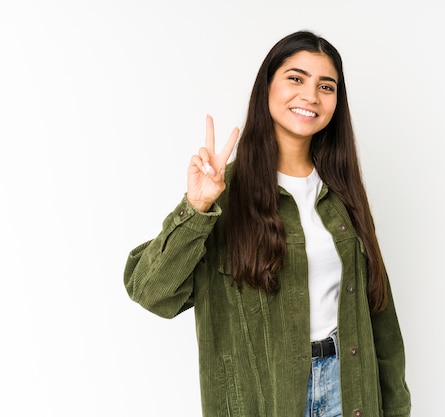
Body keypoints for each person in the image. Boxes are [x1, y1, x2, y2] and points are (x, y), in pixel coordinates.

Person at [124, 30, 411, 417]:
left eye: (326, 86)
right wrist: (196, 207)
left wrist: (396, 407)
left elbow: (381, 317)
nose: (310, 95)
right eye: (296, 78)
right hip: (267, 400)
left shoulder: (344, 196)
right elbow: (150, 291)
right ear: (267, 86)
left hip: (350, 390)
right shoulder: (222, 199)